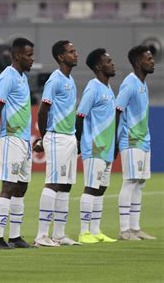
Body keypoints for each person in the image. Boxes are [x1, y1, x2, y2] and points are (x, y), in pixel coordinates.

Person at [33, 41, 81, 247]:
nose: (75, 54)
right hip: (57, 136)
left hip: (69, 136)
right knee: (53, 183)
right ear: (61, 57)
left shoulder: (70, 79)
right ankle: (42, 235)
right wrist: (44, 137)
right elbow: (43, 110)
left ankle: (59, 234)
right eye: (71, 52)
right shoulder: (55, 79)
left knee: (66, 185)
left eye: (75, 50)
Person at [0, 38, 34, 249]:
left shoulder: (22, 77)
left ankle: (15, 236)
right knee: (8, 185)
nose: (32, 59)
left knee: (22, 186)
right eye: (28, 55)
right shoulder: (7, 77)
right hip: (10, 137)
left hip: (24, 139)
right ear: (17, 55)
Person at [76, 48, 117, 244]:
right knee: (91, 188)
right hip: (94, 147)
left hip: (106, 147)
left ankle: (96, 230)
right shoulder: (93, 88)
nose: (113, 64)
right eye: (109, 61)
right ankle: (84, 232)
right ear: (99, 66)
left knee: (101, 188)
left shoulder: (108, 88)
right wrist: (79, 141)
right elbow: (80, 116)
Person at [116, 45, 156, 240]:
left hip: (143, 140)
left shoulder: (142, 83)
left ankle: (135, 228)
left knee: (140, 183)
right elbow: (117, 110)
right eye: (149, 58)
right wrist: (115, 140)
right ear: (139, 62)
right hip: (131, 139)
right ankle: (124, 230)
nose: (152, 61)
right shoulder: (129, 83)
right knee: (130, 181)